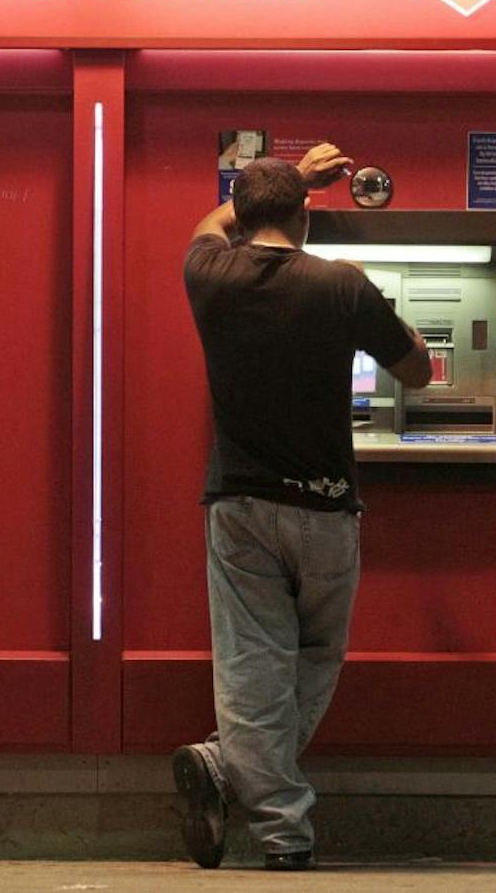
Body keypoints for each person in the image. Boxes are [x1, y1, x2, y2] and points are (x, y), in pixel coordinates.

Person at [174, 144, 432, 871]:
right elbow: (417, 367)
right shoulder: (341, 285)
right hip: (325, 502)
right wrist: (401, 329)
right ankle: (286, 833)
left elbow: (206, 225)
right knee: (314, 655)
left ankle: (229, 765)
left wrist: (283, 184)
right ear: (305, 213)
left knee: (254, 662)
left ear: (243, 215)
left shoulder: (208, 274)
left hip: (241, 501)